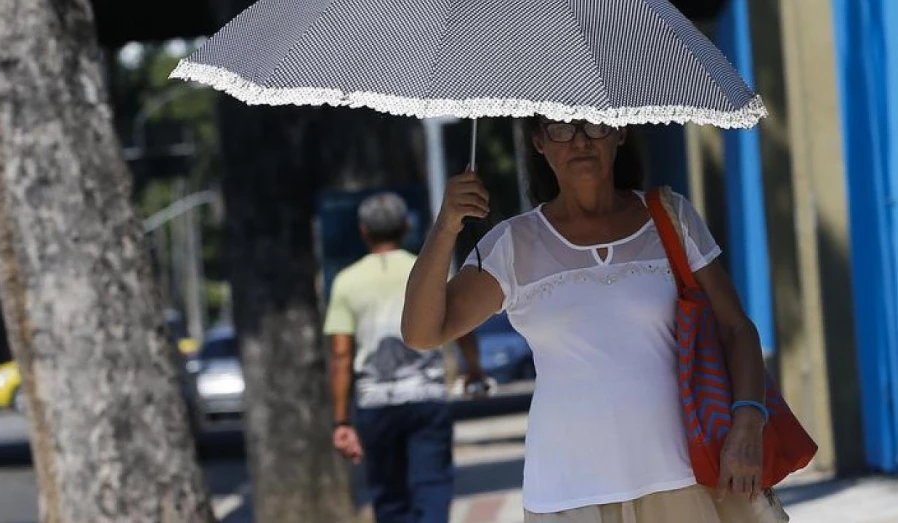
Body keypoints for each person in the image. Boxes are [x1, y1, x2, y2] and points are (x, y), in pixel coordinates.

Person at [402, 118, 773, 522]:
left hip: (682, 477)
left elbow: (736, 328)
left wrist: (748, 421)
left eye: (594, 125)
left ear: (619, 133)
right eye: (560, 129)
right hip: (568, 491)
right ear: (539, 142)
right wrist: (446, 226)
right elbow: (422, 333)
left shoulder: (671, 217)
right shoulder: (513, 245)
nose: (579, 140)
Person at [323, 192, 487, 523]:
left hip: (375, 403)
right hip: (426, 397)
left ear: (364, 230)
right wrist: (474, 368)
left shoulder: (346, 282)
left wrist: (341, 421)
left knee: (389, 497)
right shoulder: (425, 269)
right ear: (407, 226)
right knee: (432, 488)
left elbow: (341, 356)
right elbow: (460, 326)